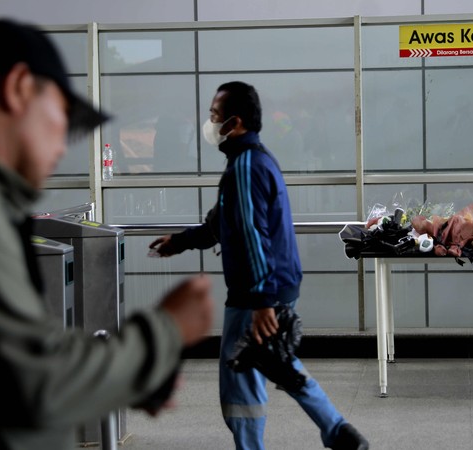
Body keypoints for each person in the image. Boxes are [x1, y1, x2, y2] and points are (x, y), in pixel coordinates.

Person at [0, 19, 213, 449]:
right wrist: (167, 330)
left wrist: (121, 379)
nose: (62, 145)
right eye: (62, 116)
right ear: (18, 87)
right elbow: (37, 382)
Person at [149, 81, 369, 450]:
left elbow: (253, 234)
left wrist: (262, 301)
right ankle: (337, 430)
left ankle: (293, 438)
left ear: (234, 122)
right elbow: (222, 223)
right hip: (271, 284)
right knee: (276, 360)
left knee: (240, 379)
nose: (209, 122)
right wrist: (180, 242)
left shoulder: (246, 167)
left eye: (214, 115)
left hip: (257, 290)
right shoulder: (251, 160)